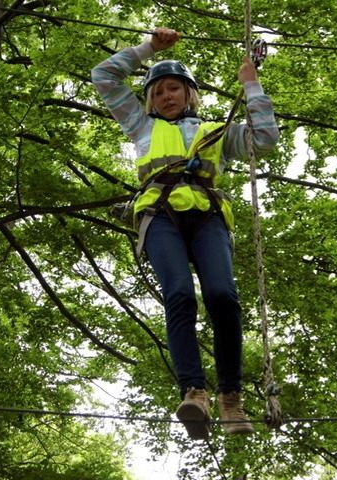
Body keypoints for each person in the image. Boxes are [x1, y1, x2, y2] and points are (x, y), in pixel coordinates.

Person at [91, 27, 279, 440]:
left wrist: (251, 85)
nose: (166, 96)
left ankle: (230, 398)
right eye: (157, 92)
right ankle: (195, 392)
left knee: (223, 297)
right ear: (149, 101)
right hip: (160, 216)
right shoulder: (141, 126)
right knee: (179, 294)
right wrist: (149, 48)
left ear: (189, 94)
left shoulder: (217, 132)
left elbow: (265, 139)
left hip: (207, 216)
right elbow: (103, 76)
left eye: (173, 88)